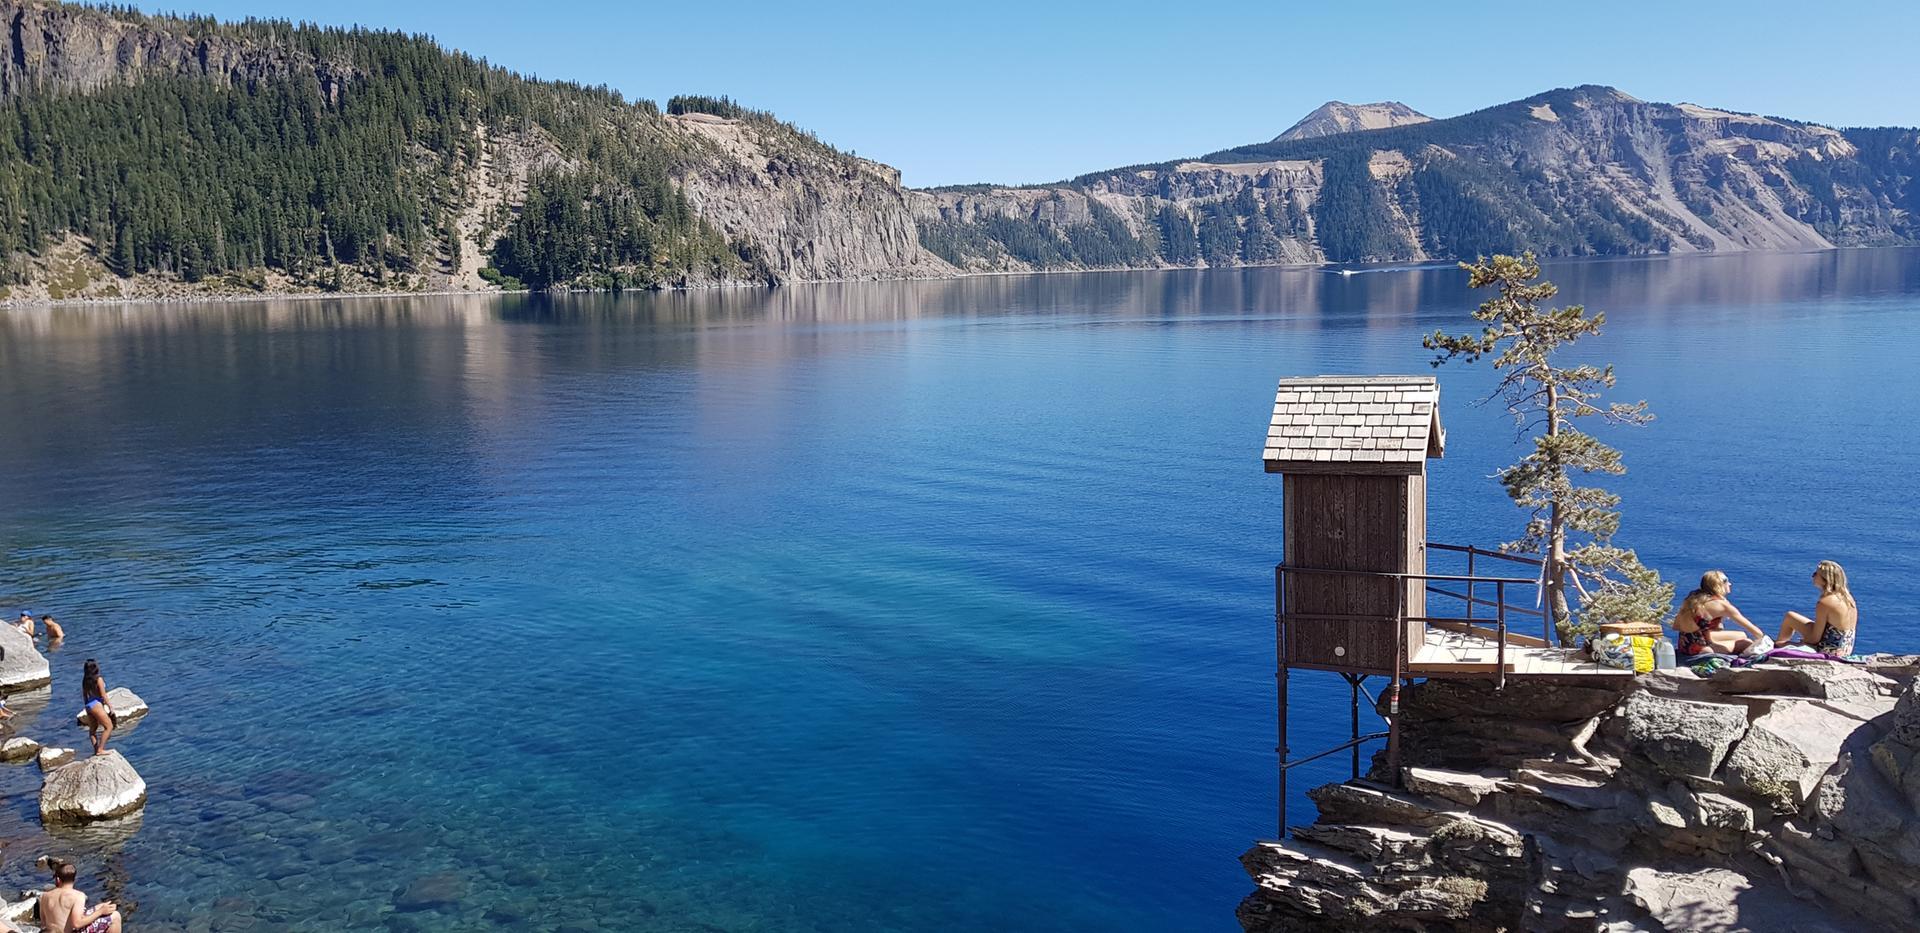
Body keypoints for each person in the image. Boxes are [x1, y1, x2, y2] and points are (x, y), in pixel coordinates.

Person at [1671, 570, 1768, 656]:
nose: (1730, 584)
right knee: (1746, 642)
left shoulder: (1693, 599)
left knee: (1741, 634)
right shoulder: (1723, 606)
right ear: (1719, 585)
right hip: (1700, 649)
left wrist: (1705, 630)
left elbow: (1676, 626)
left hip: (1684, 645)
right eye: (1726, 581)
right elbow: (1757, 633)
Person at [1777, 560, 1859, 657]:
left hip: (1829, 651)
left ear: (1825, 579)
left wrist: (1797, 643)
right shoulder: (1848, 598)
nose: (1813, 576)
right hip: (1845, 649)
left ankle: (1778, 646)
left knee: (1788, 622)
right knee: (1790, 616)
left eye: (1816, 574)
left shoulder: (1825, 602)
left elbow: (1814, 639)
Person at [36, 861, 119, 933]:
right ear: (74, 879)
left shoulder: (44, 896)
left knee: (101, 906)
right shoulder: (78, 896)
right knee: (115, 916)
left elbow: (43, 923)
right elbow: (77, 924)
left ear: (58, 879)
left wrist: (101, 908)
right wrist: (100, 912)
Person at [81, 659, 114, 756]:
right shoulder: (98, 679)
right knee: (109, 727)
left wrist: (87, 707)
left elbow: (84, 695)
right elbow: (103, 695)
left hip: (89, 705)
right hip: (96, 704)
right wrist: (110, 706)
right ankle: (100, 749)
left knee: (92, 730)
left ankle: (96, 750)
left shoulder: (85, 680)